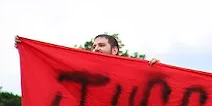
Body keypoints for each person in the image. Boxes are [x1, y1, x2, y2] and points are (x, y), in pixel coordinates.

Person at [15, 34, 159, 64]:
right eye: (94, 46)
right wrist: (27, 49)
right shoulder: (84, 68)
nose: (96, 49)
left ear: (114, 50)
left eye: (101, 46)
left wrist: (156, 68)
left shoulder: (130, 68)